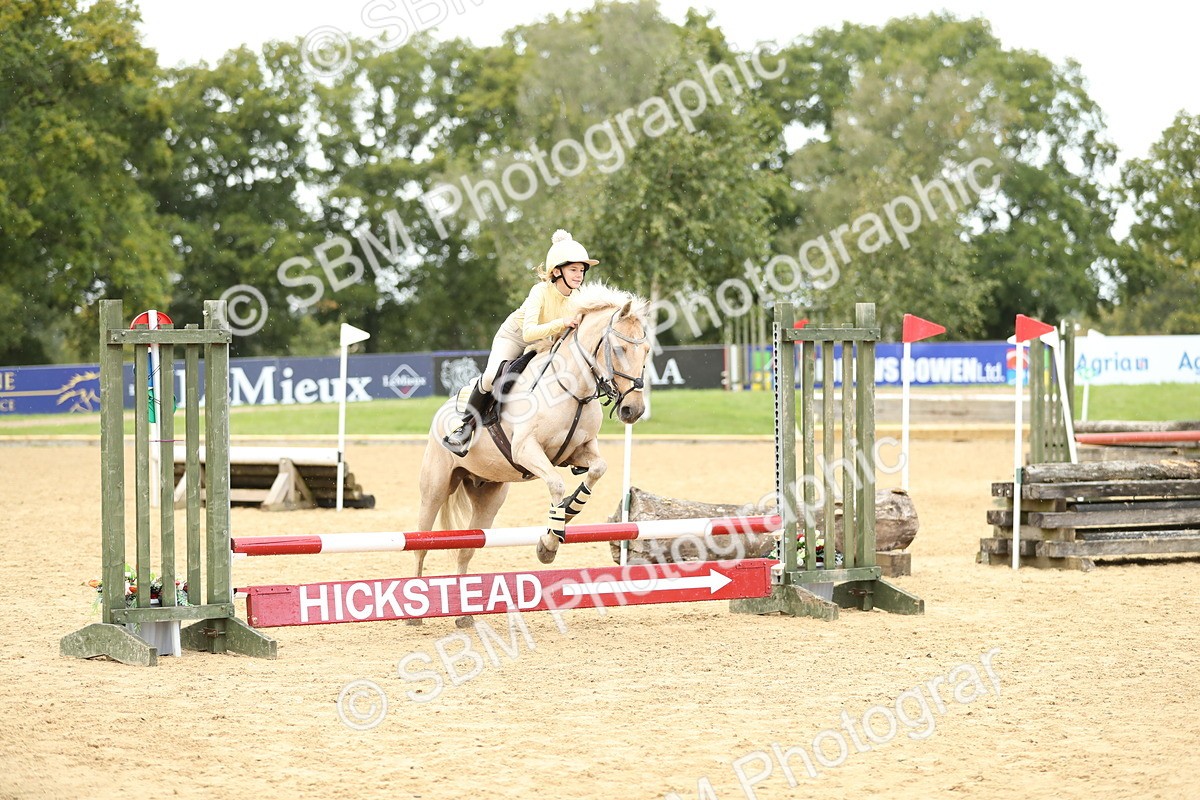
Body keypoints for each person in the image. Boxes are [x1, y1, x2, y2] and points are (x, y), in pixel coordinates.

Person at [441, 229, 600, 456]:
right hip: (515, 336)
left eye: (582, 270)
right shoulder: (540, 291)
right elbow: (528, 333)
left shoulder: (578, 297)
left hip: (546, 342)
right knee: (490, 376)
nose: (579, 275)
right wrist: (562, 322)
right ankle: (465, 428)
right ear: (557, 271)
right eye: (573, 269)